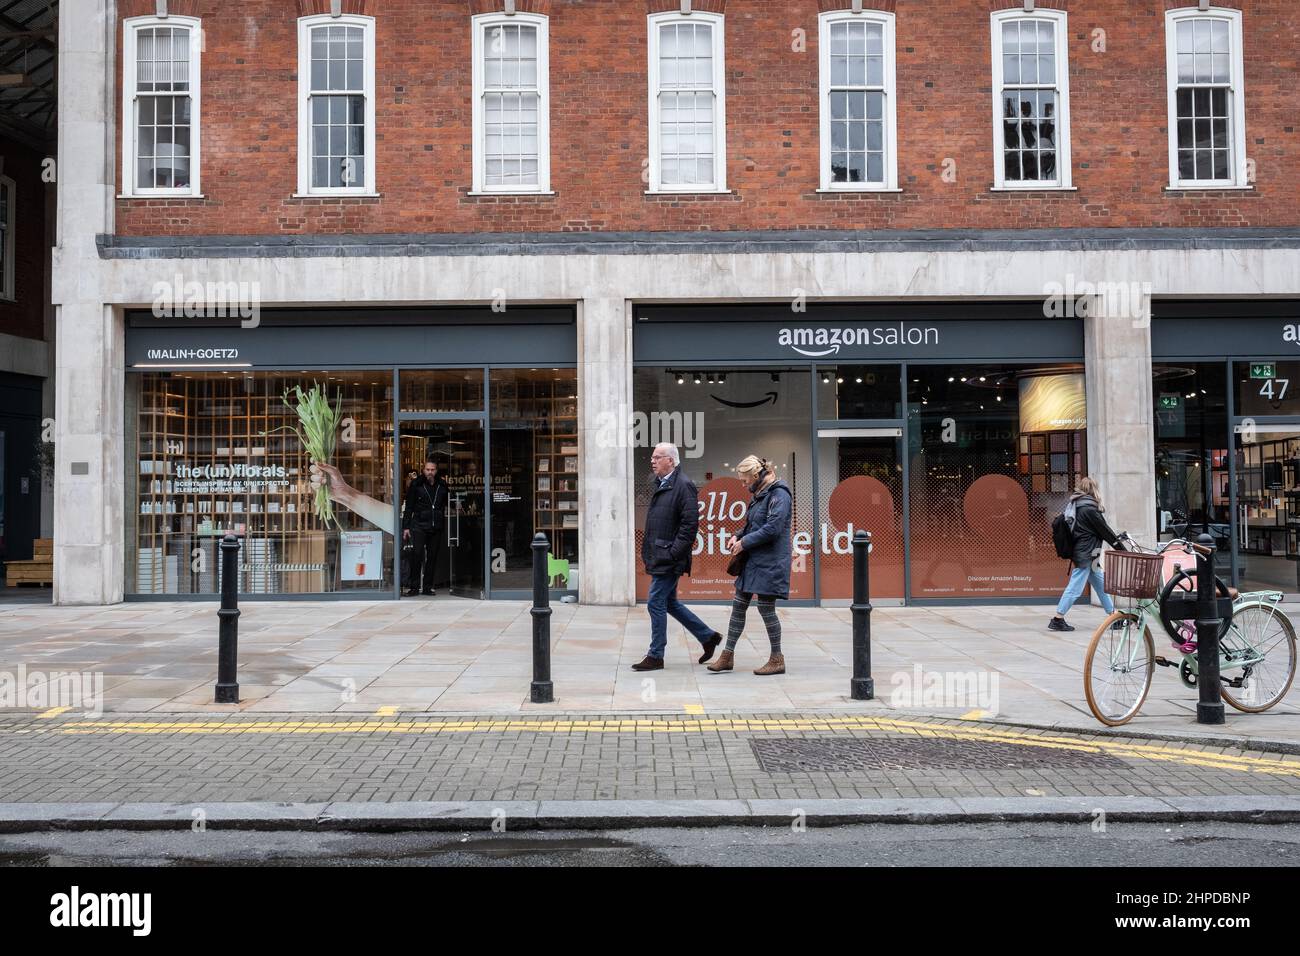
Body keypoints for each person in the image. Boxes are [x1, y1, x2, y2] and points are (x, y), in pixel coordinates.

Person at [633, 442, 722, 672]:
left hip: (669, 557)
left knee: (655, 602)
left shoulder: (684, 486)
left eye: (658, 457)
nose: (652, 461)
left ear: (671, 461)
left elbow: (690, 526)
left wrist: (673, 553)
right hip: (661, 554)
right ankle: (708, 636)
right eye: (652, 457)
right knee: (669, 602)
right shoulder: (662, 484)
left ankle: (655, 655)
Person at [710, 455, 792, 675]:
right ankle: (727, 656)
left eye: (745, 480)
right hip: (754, 560)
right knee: (738, 605)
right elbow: (753, 524)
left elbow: (773, 528)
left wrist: (744, 542)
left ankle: (777, 659)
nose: (743, 484)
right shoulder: (760, 494)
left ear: (756, 476)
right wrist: (738, 536)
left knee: (766, 609)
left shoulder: (779, 494)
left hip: (771, 562)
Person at [1050, 476, 1122, 631]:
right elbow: (1105, 531)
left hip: (1090, 551)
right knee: (1075, 587)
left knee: (1101, 585)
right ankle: (1058, 618)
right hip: (1087, 553)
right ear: (1094, 490)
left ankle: (1113, 616)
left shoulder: (1076, 505)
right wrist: (1121, 548)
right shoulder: (1089, 508)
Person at [401, 458, 449, 597]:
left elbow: (446, 502)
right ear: (423, 470)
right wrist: (406, 527)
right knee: (417, 555)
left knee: (432, 557)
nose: (430, 472)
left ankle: (428, 587)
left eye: (432, 470)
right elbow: (409, 507)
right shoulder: (416, 484)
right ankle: (414, 587)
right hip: (419, 525)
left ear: (436, 471)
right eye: (427, 470)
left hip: (436, 526)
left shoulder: (442, 485)